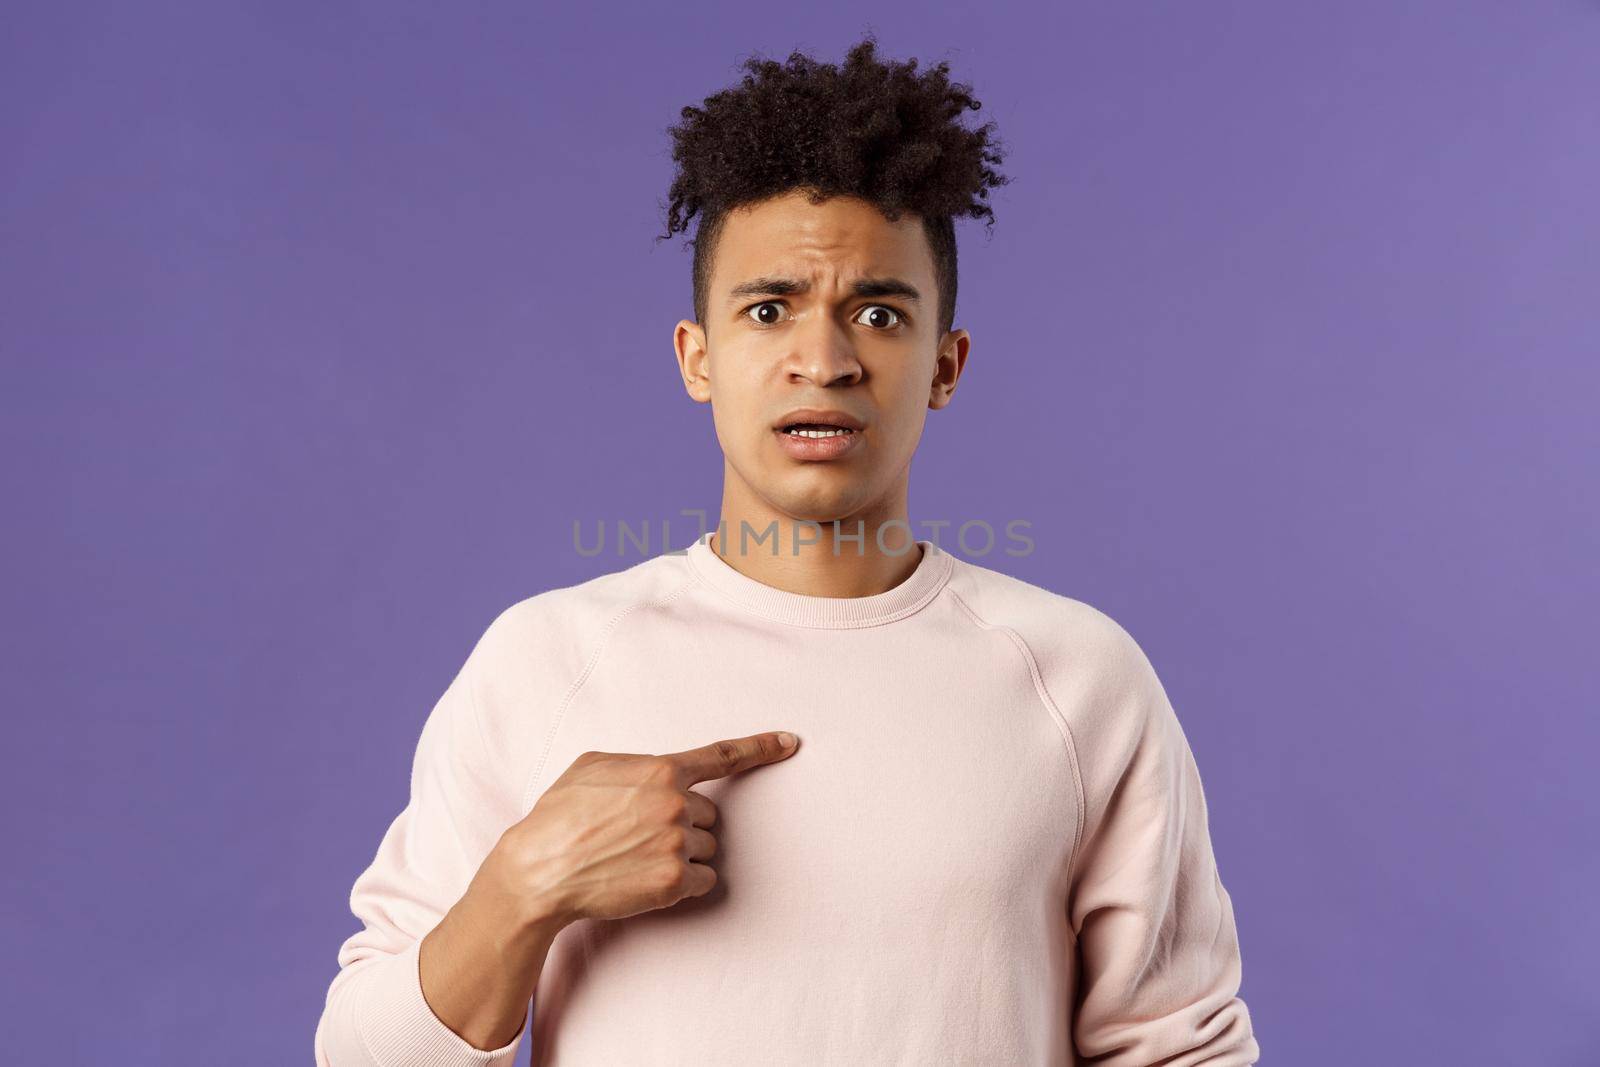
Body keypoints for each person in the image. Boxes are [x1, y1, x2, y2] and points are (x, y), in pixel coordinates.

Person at [314, 34, 1259, 1066]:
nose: (825, 359)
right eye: (770, 309)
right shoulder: (544, 661)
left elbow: (1179, 1049)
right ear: (698, 357)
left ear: (945, 365)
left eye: (879, 313)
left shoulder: (1080, 679)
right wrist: (524, 885)